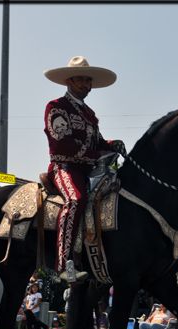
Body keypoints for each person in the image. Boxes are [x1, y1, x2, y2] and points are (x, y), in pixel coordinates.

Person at [43, 55, 126, 283]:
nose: (87, 85)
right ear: (69, 81)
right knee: (76, 199)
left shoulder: (89, 114)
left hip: (89, 170)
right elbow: (62, 143)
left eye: (89, 81)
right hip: (65, 168)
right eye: (82, 80)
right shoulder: (56, 107)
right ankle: (63, 264)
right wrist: (94, 155)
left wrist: (111, 145)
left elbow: (97, 142)